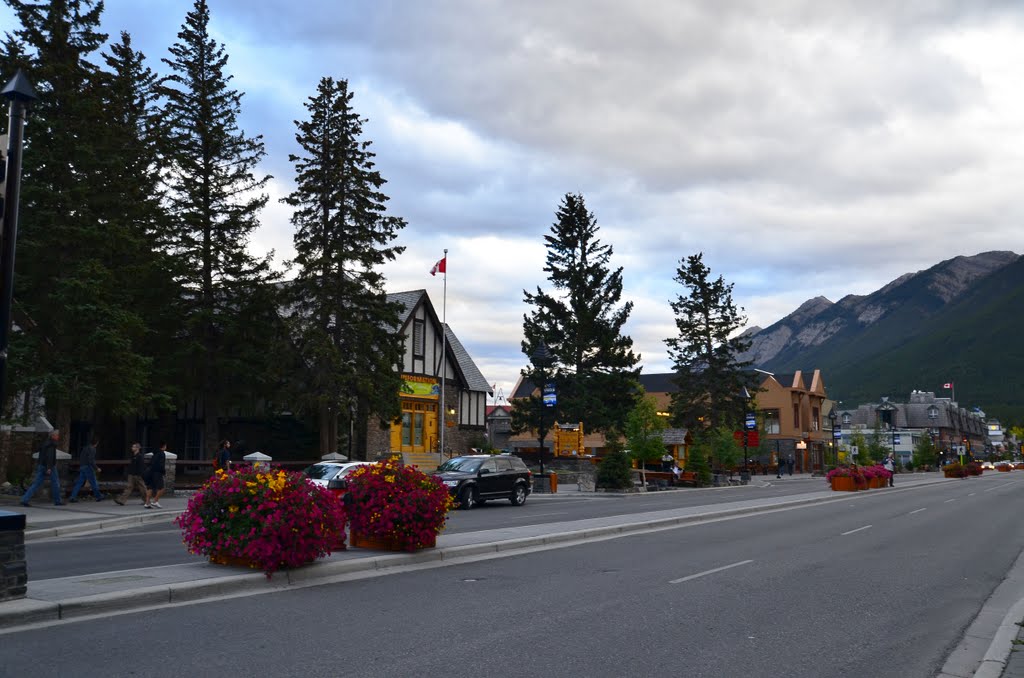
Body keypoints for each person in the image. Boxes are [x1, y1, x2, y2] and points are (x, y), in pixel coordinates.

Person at [21, 429, 64, 507]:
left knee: (36, 483)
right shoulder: (52, 444)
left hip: (41, 465)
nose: (58, 437)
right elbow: (50, 457)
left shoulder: (45, 443)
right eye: (57, 435)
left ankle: (25, 499)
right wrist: (49, 467)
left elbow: (42, 455)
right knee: (55, 483)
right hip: (49, 466)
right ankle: (57, 500)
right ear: (53, 436)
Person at [69, 435, 105, 502]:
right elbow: (91, 460)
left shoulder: (85, 448)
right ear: (97, 443)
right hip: (88, 467)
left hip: (82, 466)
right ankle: (98, 496)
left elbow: (82, 457)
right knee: (93, 482)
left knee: (79, 483)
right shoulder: (93, 449)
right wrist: (96, 468)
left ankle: (72, 496)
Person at [145, 442, 168, 509]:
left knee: (150, 487)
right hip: (157, 472)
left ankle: (147, 503)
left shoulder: (155, 453)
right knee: (161, 488)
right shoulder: (162, 453)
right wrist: (163, 472)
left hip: (150, 472)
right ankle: (155, 501)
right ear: (163, 446)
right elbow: (161, 464)